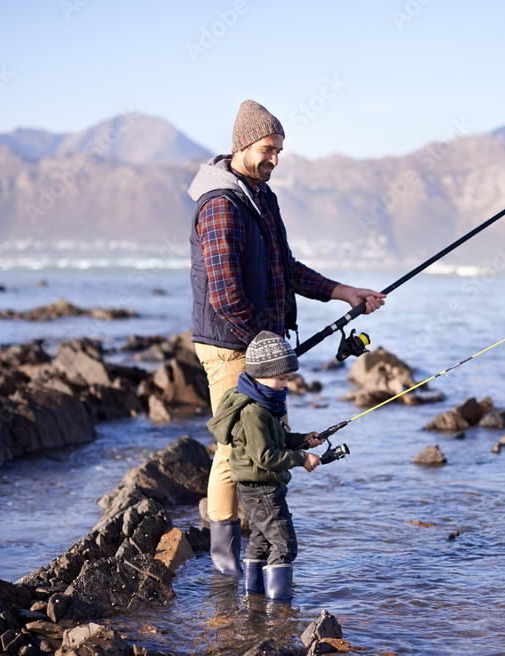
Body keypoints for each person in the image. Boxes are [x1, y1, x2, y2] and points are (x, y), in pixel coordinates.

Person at [188, 99, 385, 577]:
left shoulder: (260, 196)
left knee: (264, 445)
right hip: (233, 346)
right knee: (236, 452)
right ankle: (224, 562)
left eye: (279, 150)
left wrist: (344, 293)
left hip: (259, 347)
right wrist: (267, 355)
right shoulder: (221, 205)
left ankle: (257, 551)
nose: (275, 158)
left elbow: (285, 268)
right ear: (243, 145)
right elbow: (226, 295)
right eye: (268, 148)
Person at [207, 331, 322, 599]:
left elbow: (278, 440)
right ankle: (279, 607)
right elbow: (266, 456)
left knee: (260, 542)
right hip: (263, 490)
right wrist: (302, 459)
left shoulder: (262, 403)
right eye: (281, 378)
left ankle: (255, 598)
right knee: (284, 544)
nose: (285, 385)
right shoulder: (253, 412)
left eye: (288, 379)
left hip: (255, 488)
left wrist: (303, 441)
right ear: (262, 374)